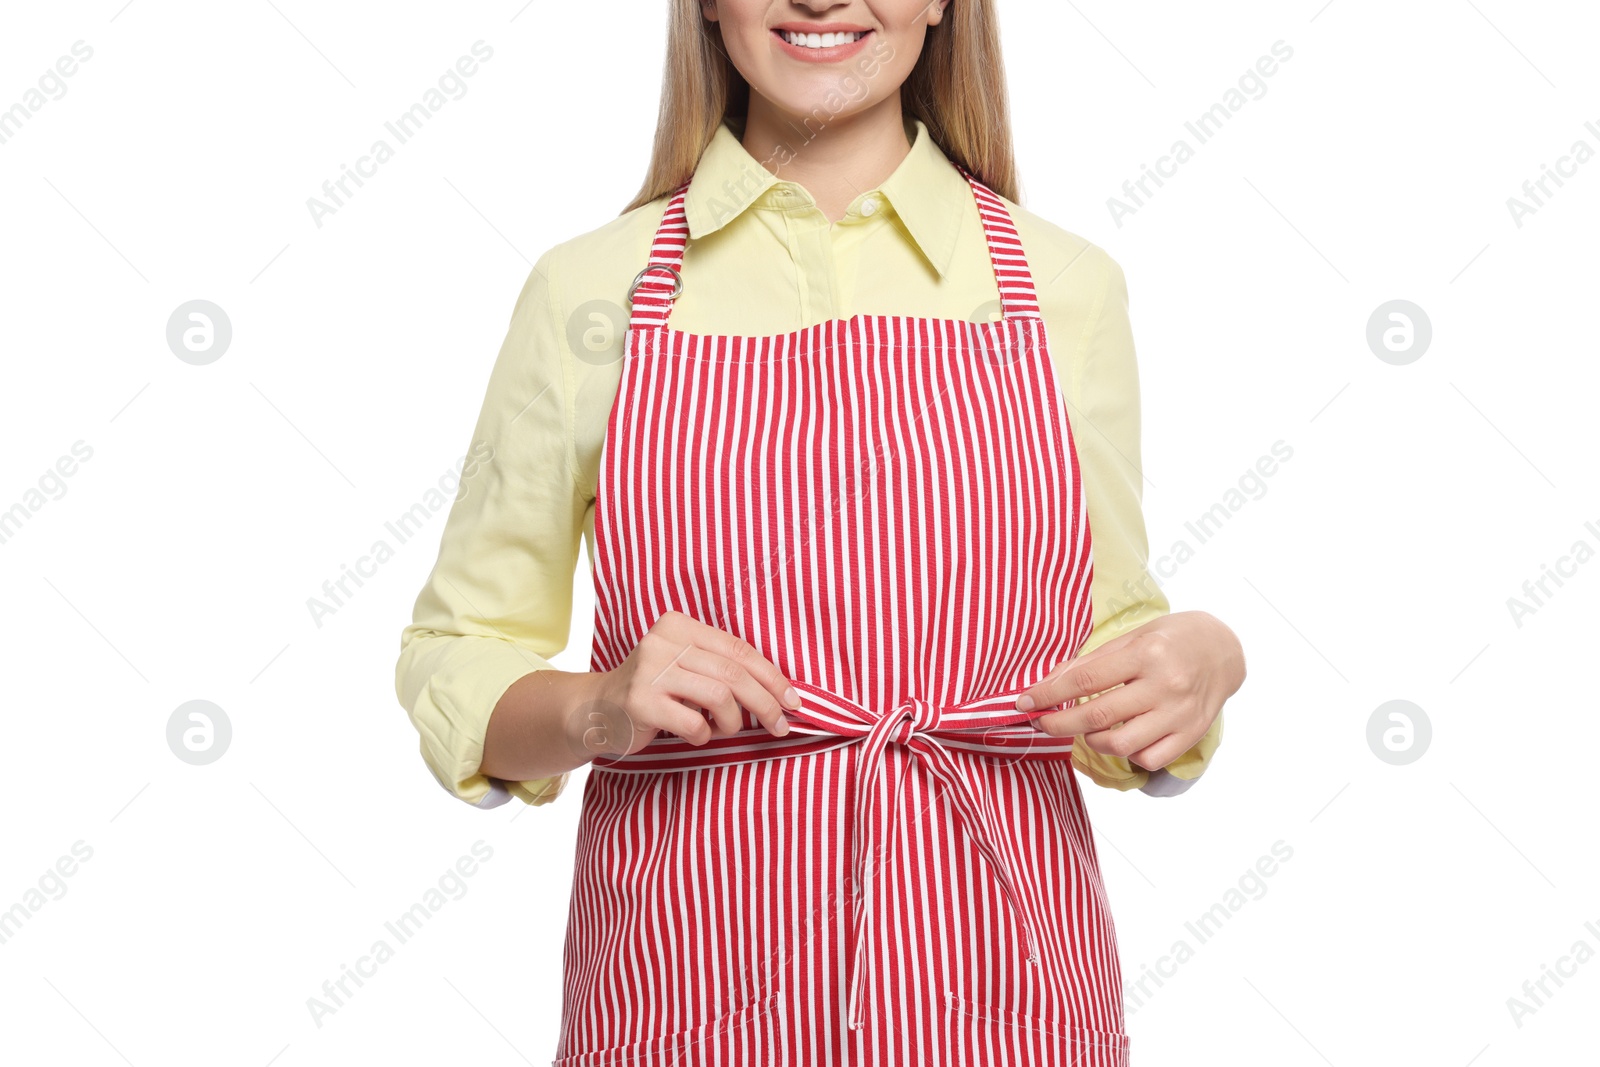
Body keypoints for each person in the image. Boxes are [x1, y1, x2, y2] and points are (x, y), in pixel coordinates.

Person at [395, 2, 1244, 1063]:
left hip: (1000, 982)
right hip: (685, 985)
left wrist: (1200, 662)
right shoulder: (586, 292)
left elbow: (1106, 644)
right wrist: (596, 708)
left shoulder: (1066, 286)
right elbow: (456, 652)